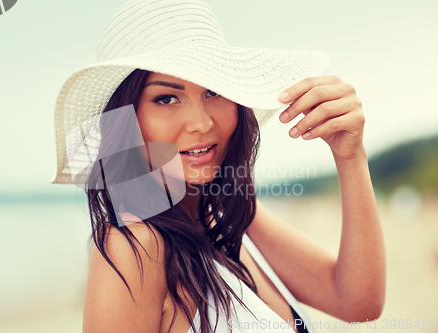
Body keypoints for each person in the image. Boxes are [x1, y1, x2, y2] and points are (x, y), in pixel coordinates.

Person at [50, 0, 386, 332]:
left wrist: (350, 156)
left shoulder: (228, 216)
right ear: (127, 119)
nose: (200, 123)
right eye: (166, 98)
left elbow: (357, 302)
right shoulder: (132, 246)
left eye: (214, 91)